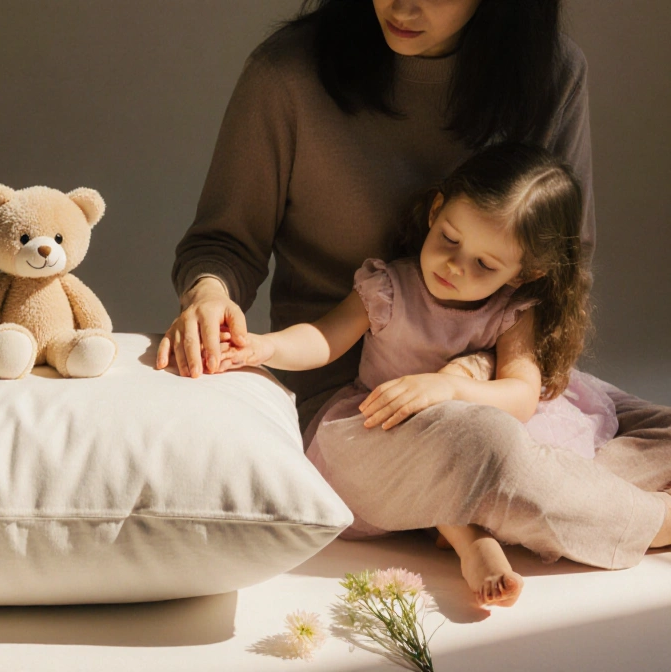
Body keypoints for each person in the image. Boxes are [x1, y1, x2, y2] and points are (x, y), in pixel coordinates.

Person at [155, 0, 671, 603]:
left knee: (643, 429)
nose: (402, 4)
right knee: (485, 445)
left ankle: (476, 508)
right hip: (359, 410)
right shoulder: (287, 75)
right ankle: (645, 521)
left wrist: (472, 374)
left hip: (497, 379)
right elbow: (226, 241)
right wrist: (211, 296)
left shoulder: (548, 73)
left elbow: (559, 266)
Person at [212, 144, 670, 606]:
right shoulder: (391, 287)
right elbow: (326, 337)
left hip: (468, 421)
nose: (455, 265)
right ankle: (615, 526)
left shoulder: (512, 311)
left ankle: (466, 529)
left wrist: (449, 386)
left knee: (629, 428)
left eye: (485, 265)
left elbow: (522, 395)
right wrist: (264, 347)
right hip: (386, 430)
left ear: (523, 273)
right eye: (451, 238)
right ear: (436, 211)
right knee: (482, 444)